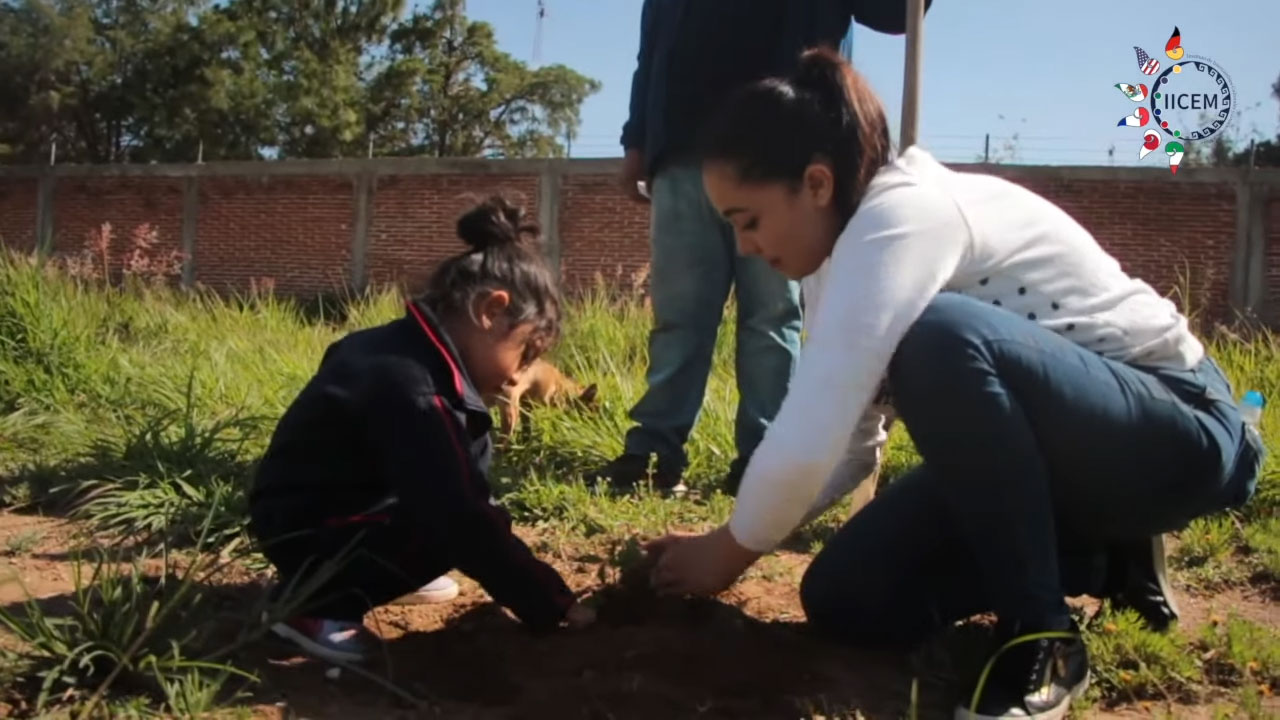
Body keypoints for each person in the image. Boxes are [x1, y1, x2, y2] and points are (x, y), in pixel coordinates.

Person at [644, 49, 1264, 720]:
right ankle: (1098, 557)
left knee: (938, 338)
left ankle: (1042, 633)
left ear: (816, 184)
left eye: (749, 220)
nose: (744, 247)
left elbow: (812, 426)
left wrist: (731, 552)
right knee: (846, 595)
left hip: (1180, 430)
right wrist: (734, 534)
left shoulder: (905, 214)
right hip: (1063, 469)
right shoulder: (835, 269)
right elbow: (846, 444)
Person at [597, 0, 932, 494]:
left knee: (774, 314)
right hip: (685, 145)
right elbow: (653, 50)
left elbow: (891, 13)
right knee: (680, 315)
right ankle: (652, 454)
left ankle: (764, 457)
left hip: (786, 147)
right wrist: (637, 142)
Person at [249, 197, 595, 664]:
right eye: (525, 353)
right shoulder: (413, 390)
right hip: (313, 532)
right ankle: (315, 605)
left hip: (309, 515)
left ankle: (374, 568)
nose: (518, 377)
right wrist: (550, 601)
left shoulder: (396, 349)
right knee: (453, 520)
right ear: (491, 311)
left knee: (457, 491)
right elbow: (460, 514)